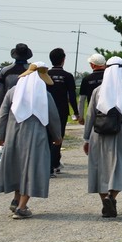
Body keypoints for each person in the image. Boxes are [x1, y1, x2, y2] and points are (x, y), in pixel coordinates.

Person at [0, 63, 63, 219]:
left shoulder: (12, 92)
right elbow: (53, 118)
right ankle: (22, 207)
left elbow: (2, 115)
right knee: (33, 169)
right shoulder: (45, 95)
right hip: (36, 138)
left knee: (18, 168)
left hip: (13, 136)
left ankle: (16, 199)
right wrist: (57, 137)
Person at [83, 56, 122, 218]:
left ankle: (105, 201)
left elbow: (90, 116)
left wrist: (86, 139)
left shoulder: (97, 91)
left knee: (100, 169)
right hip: (121, 135)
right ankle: (111, 197)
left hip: (98, 135)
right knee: (120, 168)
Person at [0, 42, 33, 170]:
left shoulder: (5, 70)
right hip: (27, 109)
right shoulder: (31, 70)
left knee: (8, 136)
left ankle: (5, 161)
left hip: (9, 108)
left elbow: (0, 93)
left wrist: (0, 109)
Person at [46, 48, 79, 177]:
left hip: (46, 110)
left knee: (48, 137)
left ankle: (49, 164)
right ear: (63, 60)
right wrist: (76, 113)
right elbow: (71, 96)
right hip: (61, 110)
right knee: (58, 137)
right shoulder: (68, 76)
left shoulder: (45, 74)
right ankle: (54, 164)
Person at [78, 53, 107, 124]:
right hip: (107, 110)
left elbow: (82, 100)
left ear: (93, 65)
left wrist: (80, 116)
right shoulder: (109, 77)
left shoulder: (86, 79)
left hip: (92, 110)